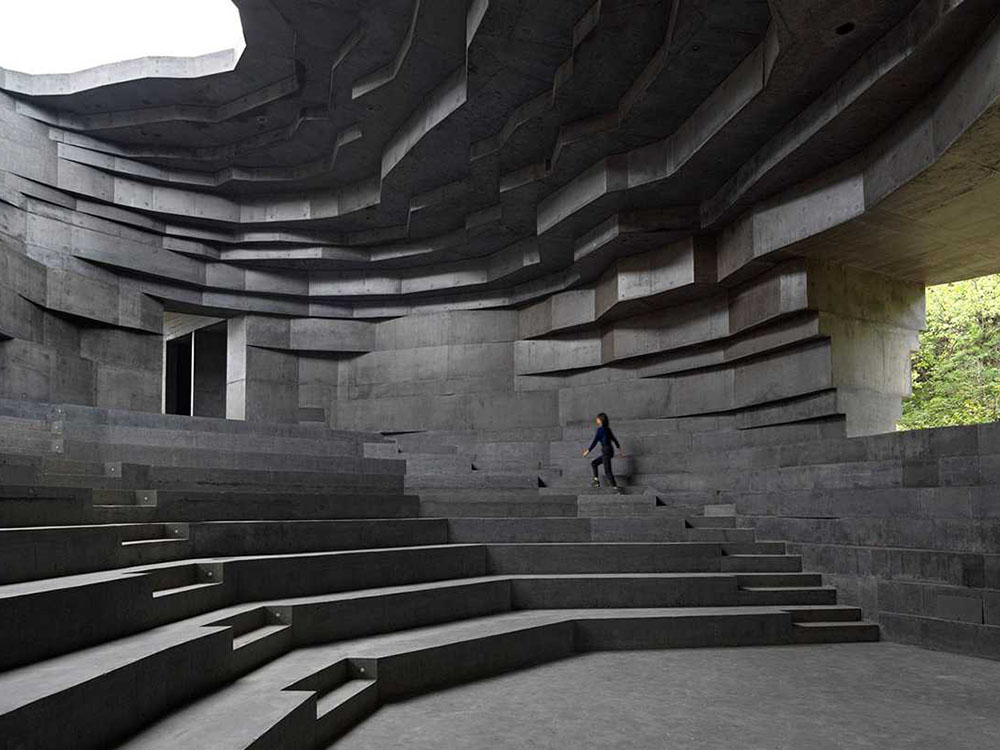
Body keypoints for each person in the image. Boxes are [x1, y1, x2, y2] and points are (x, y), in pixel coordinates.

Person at [582, 412, 625, 492]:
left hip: (606, 452)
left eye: (597, 418)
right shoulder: (608, 429)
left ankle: (615, 488)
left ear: (601, 420)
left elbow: (594, 442)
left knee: (607, 471)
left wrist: (587, 452)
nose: (596, 420)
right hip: (610, 451)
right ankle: (596, 482)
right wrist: (620, 451)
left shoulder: (600, 430)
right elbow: (615, 440)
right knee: (594, 463)